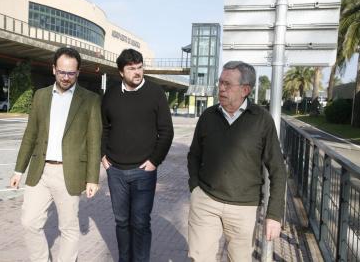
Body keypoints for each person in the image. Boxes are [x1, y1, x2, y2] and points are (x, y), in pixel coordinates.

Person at [187, 61, 287, 261]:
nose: (221, 89)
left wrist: (274, 214)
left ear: (245, 90)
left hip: (244, 209)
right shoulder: (208, 116)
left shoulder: (262, 120)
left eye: (227, 84)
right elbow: (194, 155)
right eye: (220, 83)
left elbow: (278, 169)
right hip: (206, 202)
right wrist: (195, 188)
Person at [9, 47, 102, 262]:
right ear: (53, 69)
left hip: (69, 172)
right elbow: (30, 134)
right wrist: (18, 170)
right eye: (62, 72)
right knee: (29, 222)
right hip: (39, 171)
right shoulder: (41, 96)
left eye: (71, 73)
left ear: (78, 73)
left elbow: (94, 141)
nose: (66, 77)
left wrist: (92, 178)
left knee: (68, 227)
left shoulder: (90, 100)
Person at [101, 49, 174, 262]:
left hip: (144, 171)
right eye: (131, 68)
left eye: (140, 67)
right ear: (121, 72)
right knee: (122, 221)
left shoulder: (155, 92)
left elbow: (166, 131)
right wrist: (103, 157)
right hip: (115, 171)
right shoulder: (111, 94)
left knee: (140, 222)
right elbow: (104, 128)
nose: (137, 72)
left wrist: (154, 161)